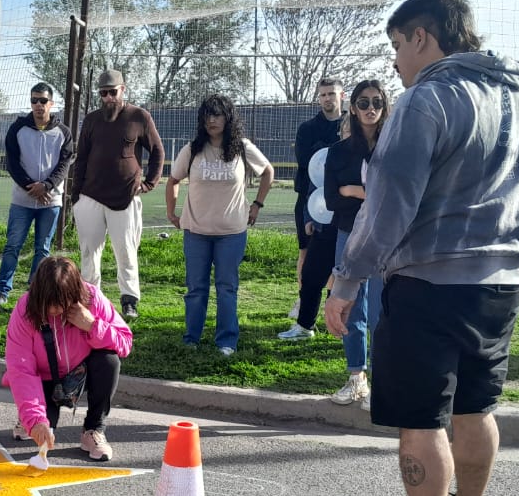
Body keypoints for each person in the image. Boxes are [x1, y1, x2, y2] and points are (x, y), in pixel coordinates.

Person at [324, 0, 519, 496]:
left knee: (420, 417)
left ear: (422, 38)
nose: (396, 61)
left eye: (398, 46)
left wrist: (347, 280)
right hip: (502, 280)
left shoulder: (427, 99)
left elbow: (388, 206)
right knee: (478, 405)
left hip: (431, 280)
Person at [165, 94, 274, 356]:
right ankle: (191, 337)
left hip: (232, 234)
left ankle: (226, 341)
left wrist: (257, 205)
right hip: (196, 232)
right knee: (196, 288)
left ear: (228, 118)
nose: (211, 120)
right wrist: (172, 213)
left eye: (217, 114)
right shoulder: (192, 149)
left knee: (227, 287)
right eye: (207, 115)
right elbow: (173, 180)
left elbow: (268, 172)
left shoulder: (242, 147)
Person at [3, 256, 133, 462]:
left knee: (109, 360)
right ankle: (30, 417)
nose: (54, 310)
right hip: (43, 379)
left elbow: (125, 343)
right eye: (48, 304)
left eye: (60, 303)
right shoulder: (25, 310)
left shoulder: (92, 298)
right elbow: (21, 369)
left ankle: (93, 430)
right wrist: (37, 420)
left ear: (75, 293)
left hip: (78, 376)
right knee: (45, 429)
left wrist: (92, 325)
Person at [71, 69, 166, 320]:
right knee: (89, 251)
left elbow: (157, 151)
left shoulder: (139, 117)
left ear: (123, 89)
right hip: (90, 195)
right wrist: (75, 197)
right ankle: (91, 298)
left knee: (125, 251)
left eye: (113, 92)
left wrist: (149, 184)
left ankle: (129, 300)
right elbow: (81, 159)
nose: (108, 98)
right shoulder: (91, 120)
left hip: (125, 197)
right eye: (103, 93)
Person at [322, 80, 389, 407]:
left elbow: (393, 197)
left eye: (376, 102)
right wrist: (360, 194)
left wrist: (354, 191)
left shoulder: (392, 147)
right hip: (349, 235)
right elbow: (332, 200)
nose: (370, 108)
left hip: (386, 238)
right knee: (350, 308)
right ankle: (355, 378)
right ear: (353, 107)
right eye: (363, 102)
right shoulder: (339, 152)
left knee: (380, 312)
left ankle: (379, 381)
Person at [0, 82, 76, 306]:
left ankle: (35, 291)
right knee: (13, 245)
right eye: (34, 100)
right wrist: (31, 187)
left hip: (50, 201)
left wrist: (47, 186)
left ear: (51, 103)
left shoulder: (63, 132)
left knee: (42, 248)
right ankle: (3, 291)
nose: (38, 105)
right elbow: (11, 163)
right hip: (22, 200)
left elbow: (64, 165)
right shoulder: (17, 129)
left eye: (43, 101)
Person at [278, 78, 345, 340]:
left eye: (332, 93)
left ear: (342, 95)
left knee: (343, 267)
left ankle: (336, 316)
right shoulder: (307, 128)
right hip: (311, 204)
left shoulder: (353, 125)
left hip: (345, 208)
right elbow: (309, 164)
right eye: (323, 94)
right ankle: (305, 316)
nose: (327, 98)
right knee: (308, 260)